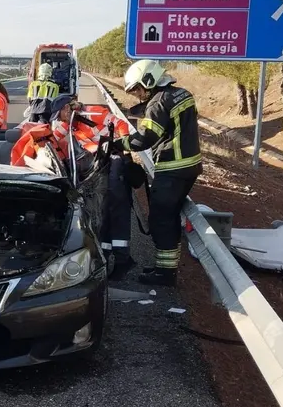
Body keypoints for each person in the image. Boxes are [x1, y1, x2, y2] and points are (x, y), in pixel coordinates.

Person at [113, 59, 202, 287]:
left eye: (138, 89)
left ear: (149, 81)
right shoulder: (183, 94)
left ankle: (165, 274)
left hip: (174, 168)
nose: (138, 95)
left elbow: (145, 138)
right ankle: (165, 267)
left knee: (161, 219)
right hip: (189, 165)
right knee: (169, 217)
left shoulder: (158, 103)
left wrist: (119, 144)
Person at [48, 94, 138, 278]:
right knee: (102, 212)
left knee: (117, 210)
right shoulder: (71, 124)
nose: (59, 119)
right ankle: (104, 256)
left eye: (60, 115)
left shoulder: (93, 113)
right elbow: (54, 139)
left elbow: (121, 125)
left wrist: (119, 148)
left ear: (67, 108)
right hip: (99, 169)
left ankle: (123, 260)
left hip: (114, 163)